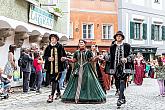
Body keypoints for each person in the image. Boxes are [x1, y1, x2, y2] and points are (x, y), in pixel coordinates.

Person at [61, 39, 106, 104]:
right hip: (78, 68)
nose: (81, 43)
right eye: (80, 43)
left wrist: (97, 57)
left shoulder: (88, 52)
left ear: (85, 44)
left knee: (88, 81)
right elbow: (74, 60)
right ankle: (75, 97)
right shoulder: (76, 52)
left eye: (82, 42)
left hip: (87, 69)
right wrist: (66, 59)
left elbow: (92, 60)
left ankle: (87, 97)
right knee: (76, 83)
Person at [109, 31, 133, 107]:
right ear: (115, 37)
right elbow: (110, 56)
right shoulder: (112, 47)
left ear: (122, 38)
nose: (118, 37)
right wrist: (104, 57)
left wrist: (127, 58)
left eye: (120, 36)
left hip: (125, 67)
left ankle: (120, 99)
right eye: (117, 36)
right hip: (115, 67)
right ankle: (123, 97)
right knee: (117, 83)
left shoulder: (127, 46)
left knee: (123, 81)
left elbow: (132, 55)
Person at [44, 34, 66, 103]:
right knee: (54, 81)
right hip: (50, 68)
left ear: (56, 39)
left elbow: (64, 55)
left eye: (54, 38)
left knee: (55, 80)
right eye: (51, 38)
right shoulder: (48, 47)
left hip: (59, 68)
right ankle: (59, 93)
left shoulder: (60, 46)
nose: (52, 40)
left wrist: (63, 59)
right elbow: (44, 56)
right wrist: (48, 58)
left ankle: (51, 95)